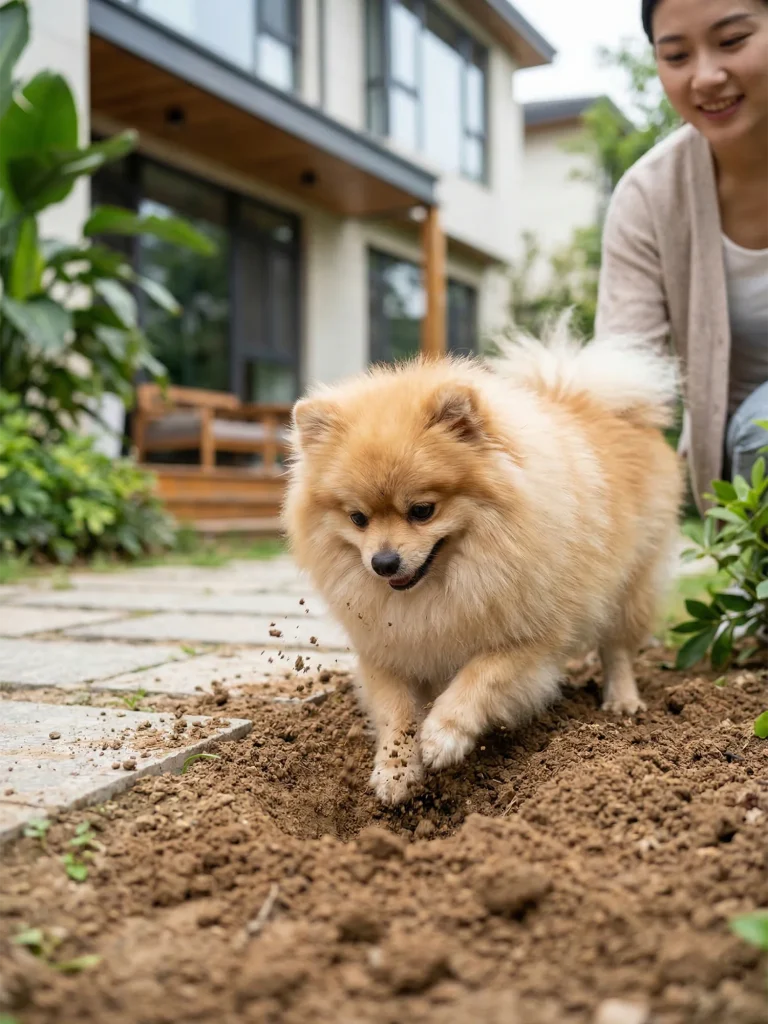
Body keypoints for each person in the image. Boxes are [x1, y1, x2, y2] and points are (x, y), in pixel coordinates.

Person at [596, 0, 768, 509]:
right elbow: (625, 393)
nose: (707, 76)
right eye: (676, 56)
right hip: (743, 470)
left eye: (733, 41)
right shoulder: (648, 198)